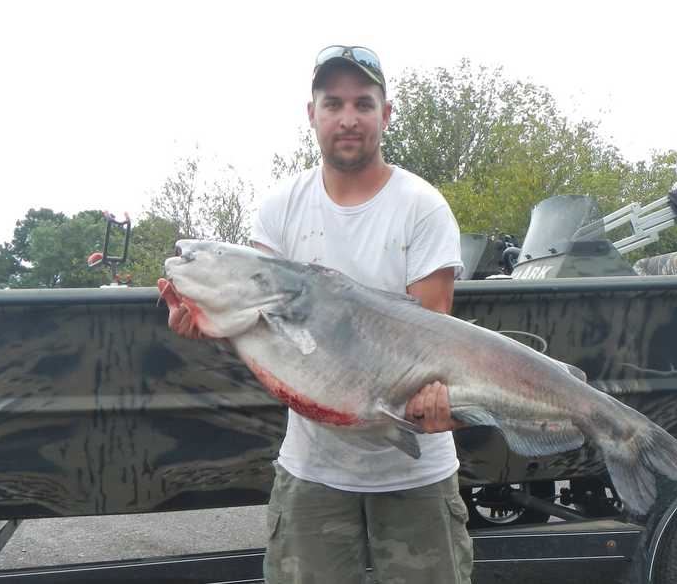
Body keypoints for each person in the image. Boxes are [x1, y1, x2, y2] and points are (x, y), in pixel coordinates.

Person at [168, 45, 472, 583]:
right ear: (312, 114)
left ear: (386, 113)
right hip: (312, 473)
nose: (348, 118)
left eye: (363, 103)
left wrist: (439, 401)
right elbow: (260, 323)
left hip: (416, 473)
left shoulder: (421, 207)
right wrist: (206, 323)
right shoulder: (280, 208)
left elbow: (434, 340)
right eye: (333, 104)